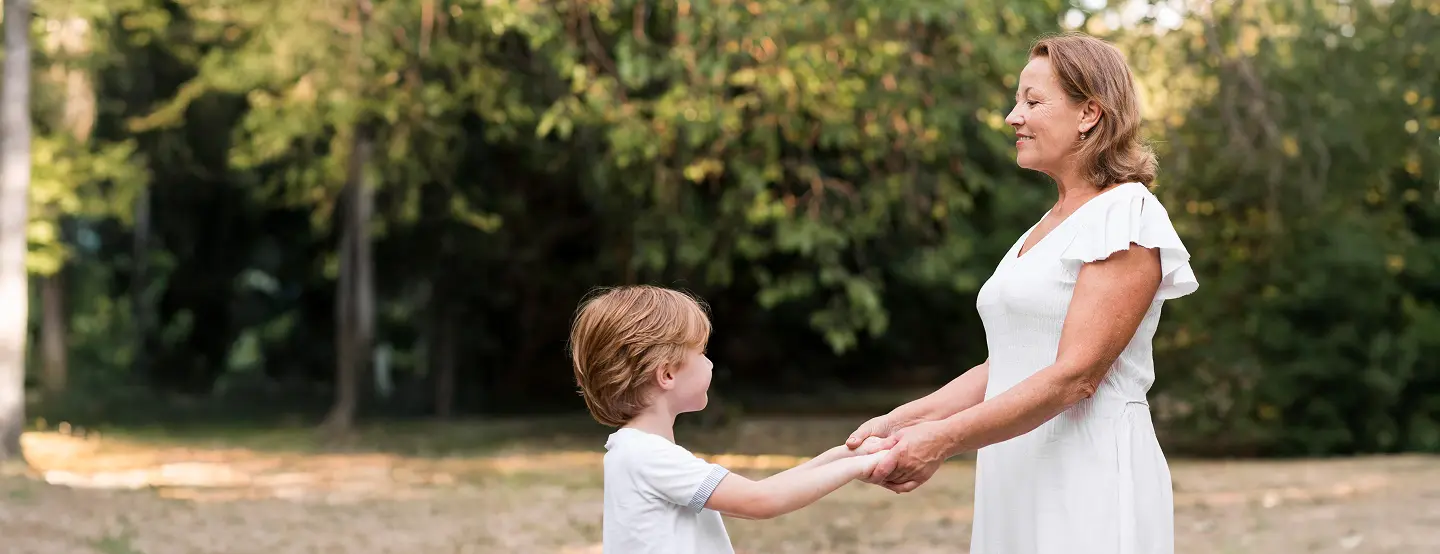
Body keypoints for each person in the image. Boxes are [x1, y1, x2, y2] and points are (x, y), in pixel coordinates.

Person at [844, 32, 1198, 553]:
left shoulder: (1126, 215)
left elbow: (1076, 375)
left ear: (1089, 114)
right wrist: (906, 421)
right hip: (1016, 464)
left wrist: (941, 442)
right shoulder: (1045, 226)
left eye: (1033, 101)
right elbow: (1011, 361)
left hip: (1087, 472)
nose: (1013, 117)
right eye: (1017, 100)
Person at [569, 285, 893, 554]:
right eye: (700, 353)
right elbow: (762, 499)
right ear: (666, 373)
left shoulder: (637, 453)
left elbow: (766, 489)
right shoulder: (647, 457)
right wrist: (857, 466)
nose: (710, 364)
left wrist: (848, 454)